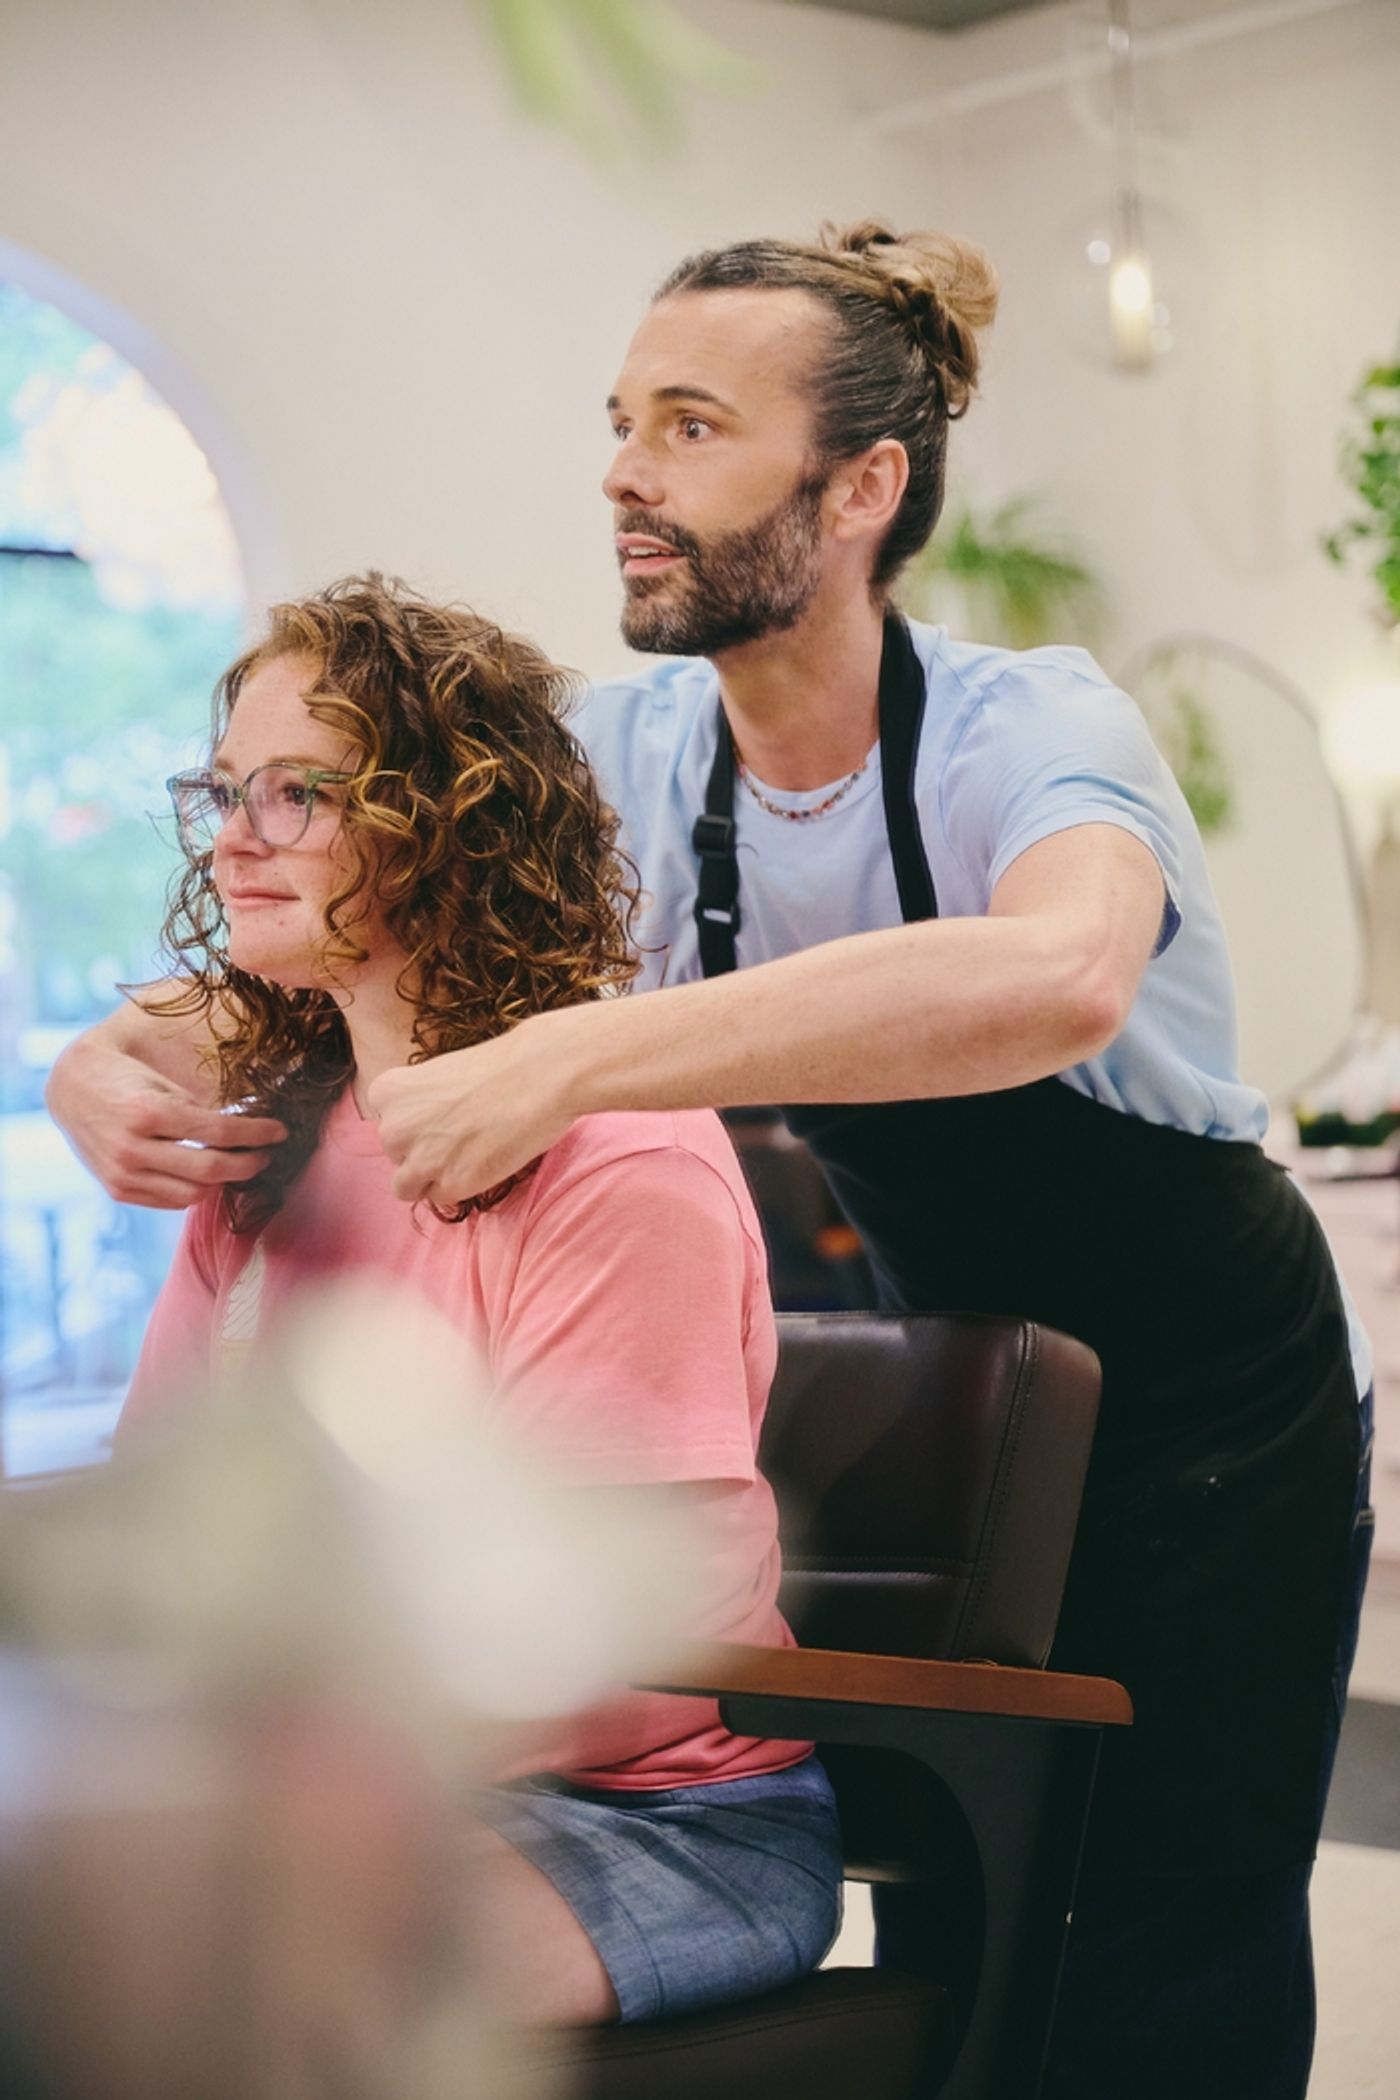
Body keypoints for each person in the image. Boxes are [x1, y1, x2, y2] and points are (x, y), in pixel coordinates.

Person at [48, 223, 1372, 2097]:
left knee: (1163, 1905)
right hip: (955, 1309)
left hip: (1210, 1383)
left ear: (862, 488)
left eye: (690, 427)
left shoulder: (1026, 726)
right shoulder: (639, 754)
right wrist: (111, 1059)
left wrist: (577, 1053)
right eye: (620, 423)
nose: (623, 473)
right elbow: (389, 894)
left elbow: (1060, 977)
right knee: (978, 1918)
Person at [110, 574, 843, 2030]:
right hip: (363, 1790)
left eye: (298, 793)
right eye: (226, 791)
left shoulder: (617, 1154)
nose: (236, 837)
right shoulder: (263, 1160)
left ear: (452, 826)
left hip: (649, 1826)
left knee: (184, 1992)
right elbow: (156, 1520)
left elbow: (590, 1644)